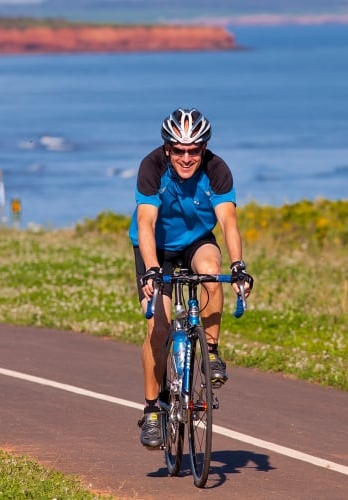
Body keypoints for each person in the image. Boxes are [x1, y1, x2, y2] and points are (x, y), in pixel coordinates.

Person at [129, 108, 254, 449]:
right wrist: (153, 270)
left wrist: (239, 264)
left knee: (212, 271)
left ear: (203, 149)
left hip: (197, 240)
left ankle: (211, 350)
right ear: (167, 149)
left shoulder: (217, 170)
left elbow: (228, 222)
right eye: (179, 150)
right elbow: (146, 223)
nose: (187, 157)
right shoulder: (151, 167)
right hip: (156, 247)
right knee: (159, 326)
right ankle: (153, 410)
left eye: (194, 150)